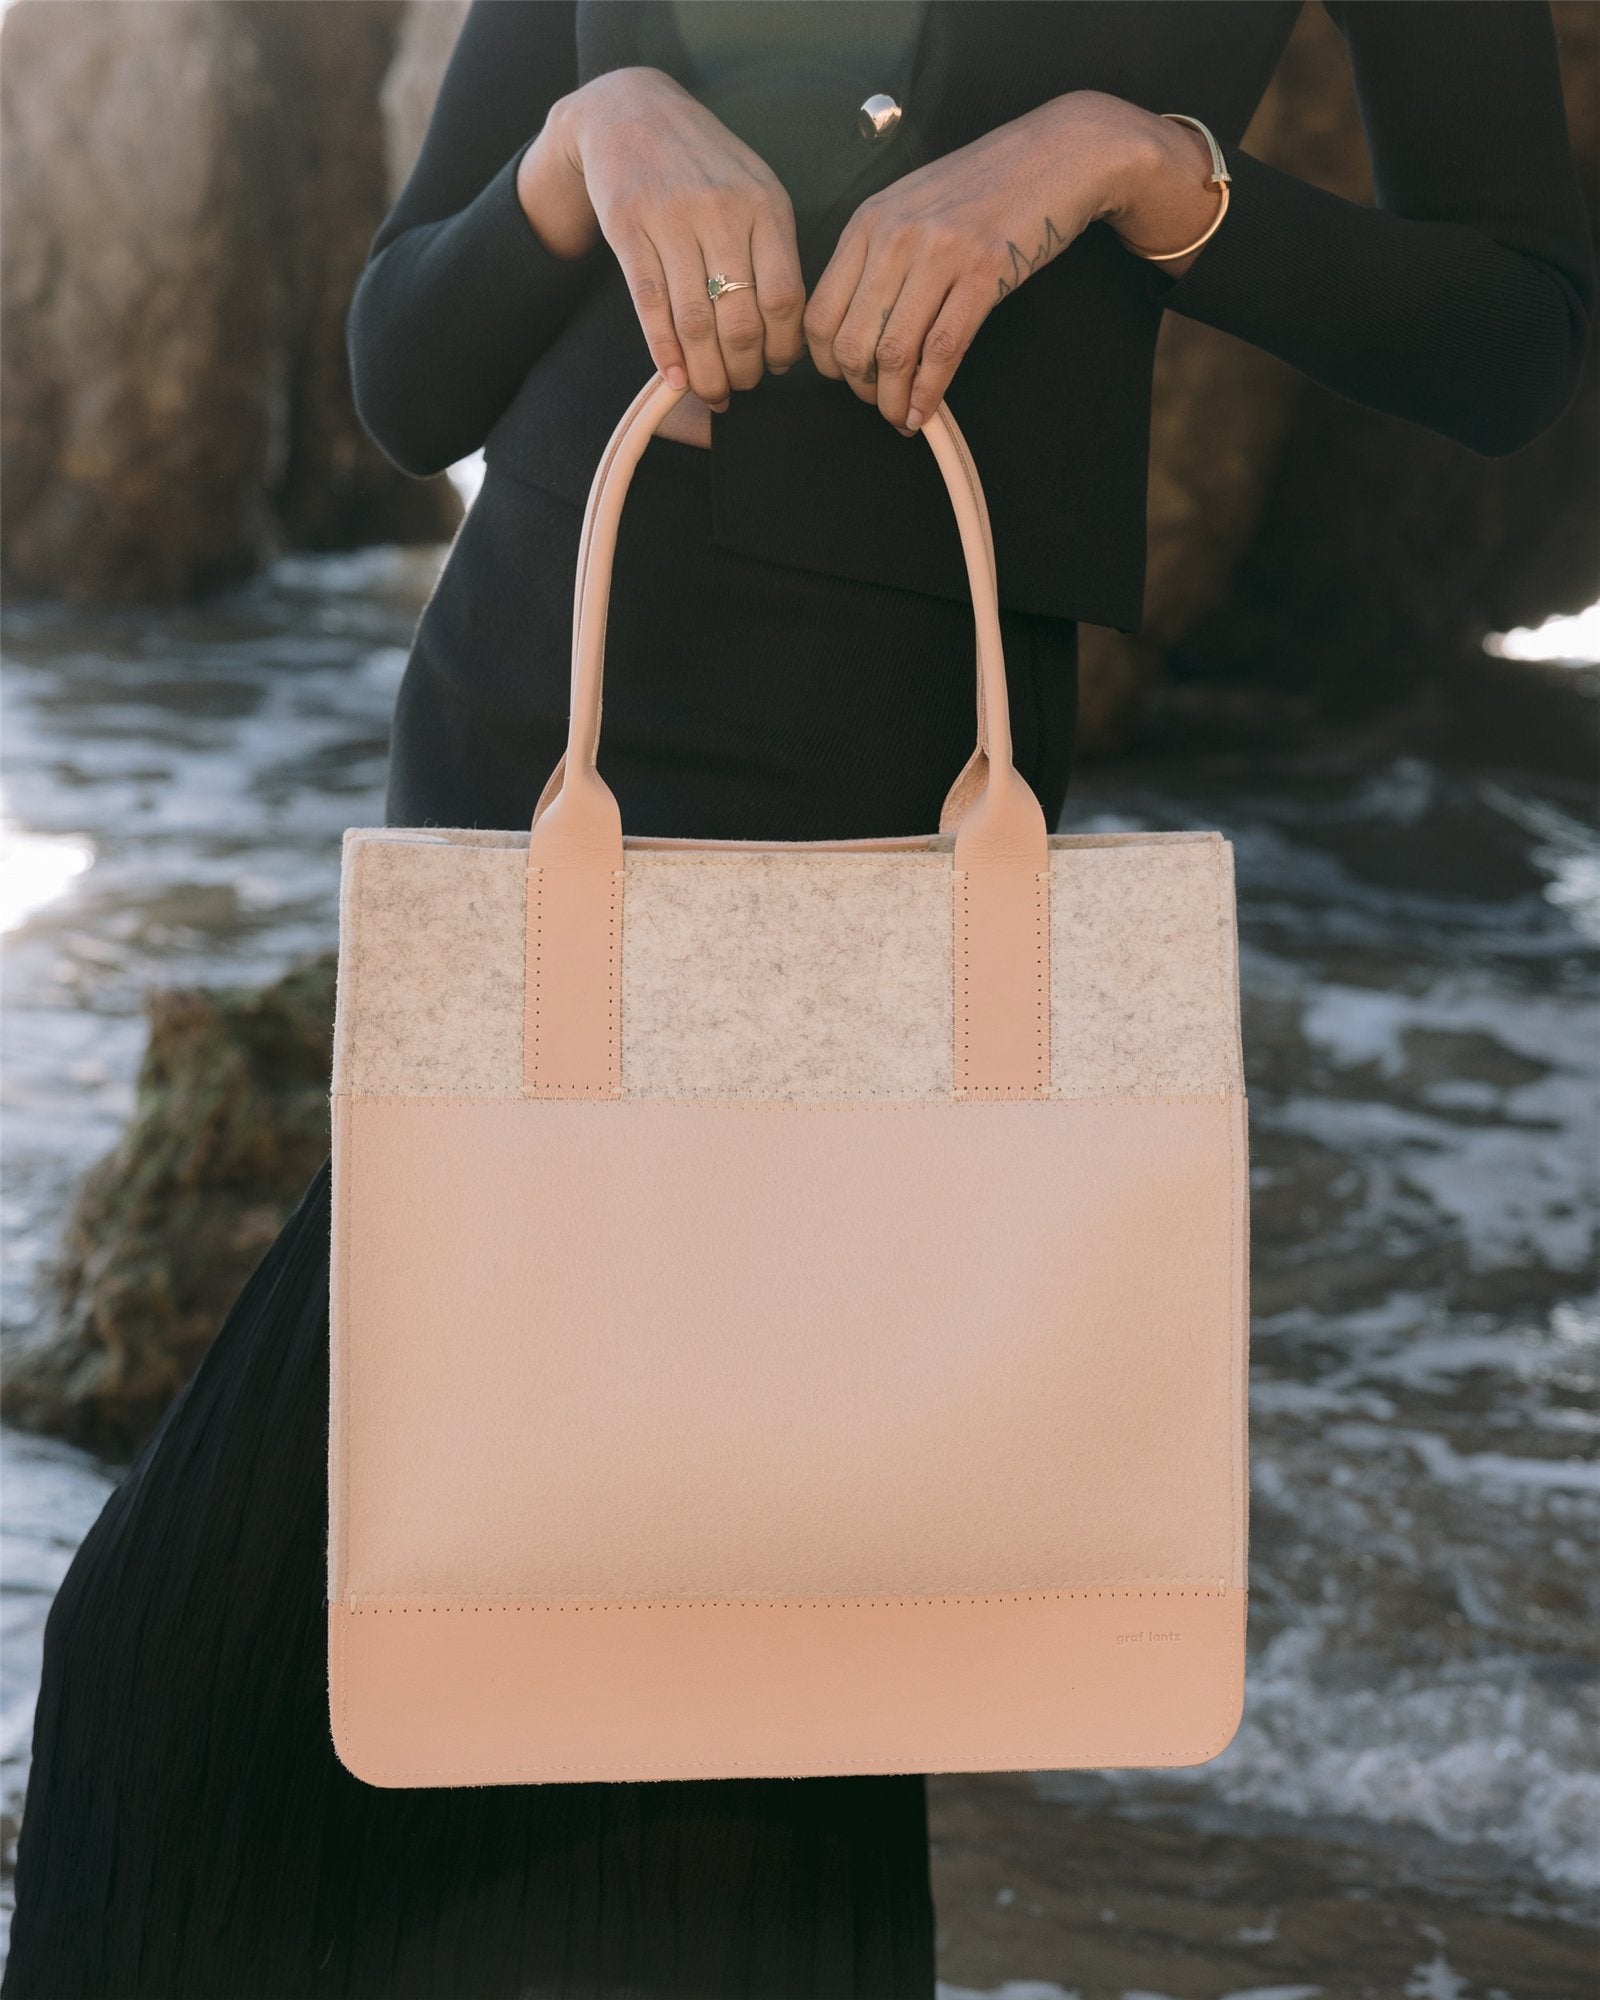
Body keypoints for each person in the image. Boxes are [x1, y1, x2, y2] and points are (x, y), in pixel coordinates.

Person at [4, 4, 1591, 1996]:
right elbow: (406, 369)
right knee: (222, 1676)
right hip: (532, 739)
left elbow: (1512, 335)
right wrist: (587, 140)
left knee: (715, 1713)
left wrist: (1129, 165)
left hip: (878, 788)